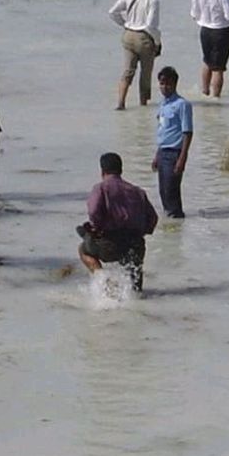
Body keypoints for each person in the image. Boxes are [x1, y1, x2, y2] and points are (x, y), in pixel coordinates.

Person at [78, 152, 159, 292]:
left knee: (83, 250)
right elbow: (153, 218)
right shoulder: (138, 191)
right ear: (121, 170)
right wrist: (142, 232)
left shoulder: (101, 188)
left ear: (102, 171)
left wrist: (97, 228)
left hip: (109, 244)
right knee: (136, 286)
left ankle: (102, 278)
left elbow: (93, 212)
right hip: (135, 244)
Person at [109, 0, 162, 110]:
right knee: (145, 73)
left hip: (128, 36)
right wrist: (157, 42)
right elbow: (151, 25)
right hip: (143, 38)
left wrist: (125, 24)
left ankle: (120, 103)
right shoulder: (153, 0)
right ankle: (143, 105)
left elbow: (112, 12)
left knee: (128, 71)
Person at [152, 68, 192, 219]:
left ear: (175, 84)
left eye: (168, 84)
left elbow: (187, 132)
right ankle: (169, 223)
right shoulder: (163, 105)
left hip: (174, 153)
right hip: (163, 152)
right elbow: (162, 131)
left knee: (171, 190)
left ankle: (177, 218)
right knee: (163, 191)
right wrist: (157, 155)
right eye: (162, 84)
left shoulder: (182, 105)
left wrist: (182, 158)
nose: (164, 87)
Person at [190, 0, 229, 98]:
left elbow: (194, 14)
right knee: (219, 68)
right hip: (220, 31)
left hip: (205, 30)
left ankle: (205, 91)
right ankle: (216, 98)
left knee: (206, 61)